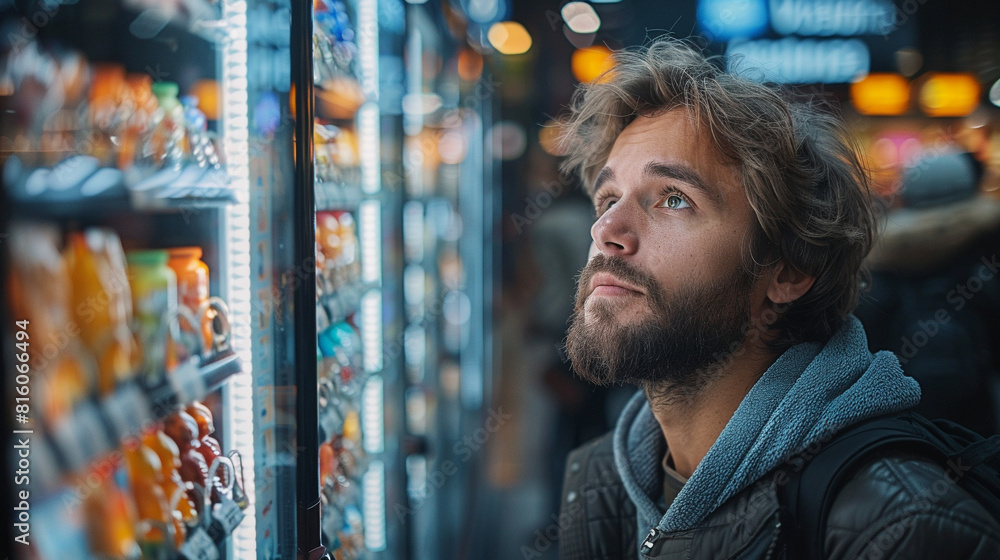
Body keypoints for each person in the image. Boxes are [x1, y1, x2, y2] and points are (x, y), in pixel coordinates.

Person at [554, 37, 1000, 559]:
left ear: (788, 272)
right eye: (607, 199)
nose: (607, 229)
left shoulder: (903, 528)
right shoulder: (601, 480)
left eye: (674, 199)